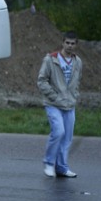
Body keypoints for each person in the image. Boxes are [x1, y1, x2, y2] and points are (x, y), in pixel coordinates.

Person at [37, 30, 82, 178]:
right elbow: (41, 81)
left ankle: (62, 167)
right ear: (62, 43)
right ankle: (49, 163)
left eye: (72, 43)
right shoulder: (51, 59)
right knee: (58, 132)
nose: (69, 46)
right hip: (53, 104)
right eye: (67, 43)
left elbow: (77, 82)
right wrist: (54, 97)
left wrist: (74, 96)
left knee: (67, 137)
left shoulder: (78, 61)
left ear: (76, 45)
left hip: (69, 105)